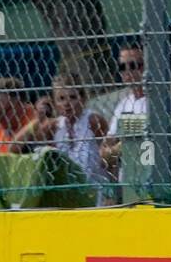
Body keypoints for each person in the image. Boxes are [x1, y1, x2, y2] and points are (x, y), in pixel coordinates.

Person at [13, 74, 109, 203]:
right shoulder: (56, 125)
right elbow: (14, 147)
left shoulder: (93, 120)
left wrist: (111, 195)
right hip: (68, 194)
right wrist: (38, 119)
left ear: (83, 98)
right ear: (55, 103)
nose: (67, 104)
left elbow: (109, 155)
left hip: (95, 191)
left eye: (73, 97)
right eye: (61, 99)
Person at [100, 44, 147, 182]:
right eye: (122, 67)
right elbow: (107, 145)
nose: (127, 71)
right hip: (128, 179)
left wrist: (118, 147)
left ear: (145, 66)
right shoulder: (123, 105)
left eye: (133, 65)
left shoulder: (158, 103)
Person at [0, 77, 37, 155]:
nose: (0, 120)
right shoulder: (2, 128)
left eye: (2, 112)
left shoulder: (36, 121)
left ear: (17, 100)